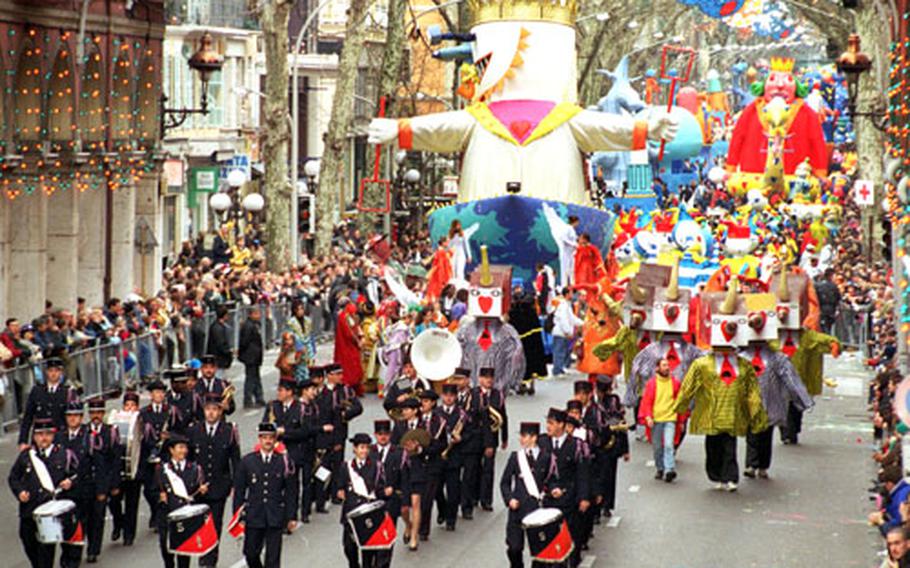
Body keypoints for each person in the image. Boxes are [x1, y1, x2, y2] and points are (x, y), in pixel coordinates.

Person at [9, 417, 78, 568]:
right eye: (40, 434)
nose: (44, 438)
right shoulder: (27, 456)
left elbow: (76, 474)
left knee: (46, 552)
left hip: (50, 512)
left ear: (53, 435)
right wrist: (20, 492)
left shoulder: (63, 454)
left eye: (47, 434)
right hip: (29, 511)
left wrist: (70, 482)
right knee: (29, 543)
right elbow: (13, 478)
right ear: (34, 437)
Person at [740, 339, 813, 479]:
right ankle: (752, 464)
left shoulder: (777, 358)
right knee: (753, 433)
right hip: (750, 404)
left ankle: (762, 465)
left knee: (765, 435)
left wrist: (803, 400)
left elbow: (790, 379)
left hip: (771, 402)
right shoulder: (742, 357)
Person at [233, 423, 298, 568]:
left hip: (275, 514)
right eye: (264, 438)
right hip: (254, 514)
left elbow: (291, 491)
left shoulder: (284, 461)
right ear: (259, 439)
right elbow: (239, 491)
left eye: (271, 438)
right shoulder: (247, 461)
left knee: (273, 559)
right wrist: (238, 516)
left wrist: (291, 516)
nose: (268, 441)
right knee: (250, 553)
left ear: (275, 440)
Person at [188, 393, 241, 567]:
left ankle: (210, 560)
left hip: (219, 486)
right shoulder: (194, 430)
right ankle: (203, 554)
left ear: (220, 411)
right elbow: (188, 460)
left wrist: (235, 484)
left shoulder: (229, 430)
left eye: (215, 409)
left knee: (214, 524)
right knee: (199, 524)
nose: (211, 413)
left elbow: (235, 459)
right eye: (208, 409)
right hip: (198, 487)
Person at [538, 407, 590, 568]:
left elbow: (583, 474)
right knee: (548, 540)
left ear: (562, 425)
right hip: (548, 499)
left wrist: (584, 497)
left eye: (552, 423)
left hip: (569, 500)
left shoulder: (576, 445)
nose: (548, 427)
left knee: (570, 540)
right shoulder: (542, 442)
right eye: (547, 422)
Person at [335, 433, 393, 568]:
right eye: (361, 447)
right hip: (351, 513)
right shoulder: (346, 466)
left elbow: (379, 488)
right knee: (349, 548)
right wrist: (339, 492)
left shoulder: (376, 466)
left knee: (368, 552)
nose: (364, 451)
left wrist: (385, 492)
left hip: (369, 513)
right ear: (355, 449)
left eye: (367, 448)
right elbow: (340, 486)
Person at [500, 421, 549, 568]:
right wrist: (509, 499)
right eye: (521, 436)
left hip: (537, 510)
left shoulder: (546, 458)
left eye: (524, 436)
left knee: (539, 551)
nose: (521, 439)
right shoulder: (516, 457)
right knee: (514, 548)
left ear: (534, 438)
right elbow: (505, 482)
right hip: (517, 510)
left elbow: (551, 481)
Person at [316, 363, 363, 511]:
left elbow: (358, 407)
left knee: (337, 465)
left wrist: (346, 414)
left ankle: (335, 493)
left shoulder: (346, 390)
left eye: (341, 374)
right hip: (322, 435)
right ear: (329, 376)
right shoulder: (320, 391)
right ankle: (320, 497)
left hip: (339, 434)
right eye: (337, 374)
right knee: (322, 467)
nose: (340, 377)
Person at [154, 433, 206, 568]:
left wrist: (201, 491)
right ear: (171, 450)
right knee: (166, 550)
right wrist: (159, 496)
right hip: (167, 515)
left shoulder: (194, 469)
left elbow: (197, 494)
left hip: (185, 516)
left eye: (185, 448)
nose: (184, 451)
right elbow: (152, 490)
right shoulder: (162, 469)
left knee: (183, 553)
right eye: (180, 447)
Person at [139, 379, 182, 530]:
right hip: (149, 454)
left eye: (162, 392)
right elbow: (139, 435)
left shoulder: (171, 410)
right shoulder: (144, 413)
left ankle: (160, 517)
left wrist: (169, 436)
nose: (159, 395)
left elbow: (179, 430)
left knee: (163, 486)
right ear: (151, 395)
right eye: (156, 392)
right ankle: (154, 510)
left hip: (165, 454)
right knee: (149, 490)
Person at [638, 358, 686, 482]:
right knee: (658, 447)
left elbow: (680, 403)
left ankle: (669, 469)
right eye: (664, 365)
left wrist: (681, 421)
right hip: (656, 420)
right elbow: (646, 402)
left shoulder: (675, 384)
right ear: (657, 368)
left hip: (670, 418)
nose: (667, 367)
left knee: (669, 445)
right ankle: (660, 468)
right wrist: (648, 416)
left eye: (667, 365)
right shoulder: (652, 384)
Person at [83, 398, 119, 563]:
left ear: (103, 414)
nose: (95, 416)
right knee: (86, 517)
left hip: (102, 481)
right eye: (92, 413)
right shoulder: (84, 432)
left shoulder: (110, 432)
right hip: (86, 482)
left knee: (98, 517)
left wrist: (112, 484)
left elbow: (115, 460)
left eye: (99, 413)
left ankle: (93, 550)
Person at [18, 357, 78, 450]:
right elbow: (28, 417)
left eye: (56, 371)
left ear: (61, 372)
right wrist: (23, 441)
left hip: (60, 439)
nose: (53, 374)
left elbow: (72, 419)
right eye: (50, 370)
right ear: (46, 372)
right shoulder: (37, 391)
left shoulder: (68, 392)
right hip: (39, 439)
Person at [56, 401, 89, 568]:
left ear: (81, 418)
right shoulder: (59, 436)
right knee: (63, 524)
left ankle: (74, 558)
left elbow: (88, 465)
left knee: (77, 524)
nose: (72, 419)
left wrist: (73, 481)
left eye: (76, 416)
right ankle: (65, 553)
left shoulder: (88, 436)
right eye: (69, 416)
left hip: (80, 488)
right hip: (62, 489)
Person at [299, 375, 334, 523]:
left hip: (314, 448)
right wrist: (321, 428)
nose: (314, 392)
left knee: (317, 477)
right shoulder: (298, 407)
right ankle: (300, 512)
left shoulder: (314, 406)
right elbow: (305, 429)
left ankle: (314, 505)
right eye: (312, 389)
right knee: (302, 482)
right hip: (300, 448)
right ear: (304, 391)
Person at [109, 391, 142, 546]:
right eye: (127, 405)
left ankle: (129, 534)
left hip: (134, 468)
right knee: (114, 500)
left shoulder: (141, 422)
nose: (129, 409)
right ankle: (118, 522)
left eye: (133, 406)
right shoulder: (116, 422)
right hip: (117, 468)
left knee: (132, 502)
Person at [437, 383, 469, 531]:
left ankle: (451, 519)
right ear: (442, 396)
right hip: (438, 456)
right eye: (446, 395)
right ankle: (442, 509)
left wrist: (461, 438)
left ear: (456, 397)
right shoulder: (436, 413)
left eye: (451, 396)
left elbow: (470, 433)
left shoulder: (462, 414)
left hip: (454, 456)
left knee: (453, 489)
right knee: (437, 489)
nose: (449, 398)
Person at [370, 419, 405, 528]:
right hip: (373, 497)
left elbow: (403, 476)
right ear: (375, 435)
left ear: (390, 435)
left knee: (389, 530)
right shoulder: (370, 452)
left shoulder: (398, 452)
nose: (383, 437)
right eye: (380, 434)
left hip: (392, 497)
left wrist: (397, 492)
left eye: (386, 434)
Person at [238, 307, 266, 408]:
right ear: (251, 314)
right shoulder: (248, 326)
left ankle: (259, 397)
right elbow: (244, 342)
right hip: (251, 356)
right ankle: (248, 399)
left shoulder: (254, 325)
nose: (259, 316)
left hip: (255, 356)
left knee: (256, 377)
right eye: (256, 314)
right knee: (251, 378)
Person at [334, 302, 364, 395]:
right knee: (349, 366)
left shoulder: (348, 316)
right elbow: (349, 333)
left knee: (355, 364)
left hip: (350, 345)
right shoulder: (344, 317)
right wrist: (358, 341)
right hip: (346, 346)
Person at [552, 288, 583, 377]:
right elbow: (563, 320)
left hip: (564, 332)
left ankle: (561, 368)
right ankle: (557, 370)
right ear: (567, 294)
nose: (572, 295)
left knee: (563, 351)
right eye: (571, 293)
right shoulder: (563, 305)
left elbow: (571, 318)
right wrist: (568, 332)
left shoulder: (566, 305)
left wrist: (583, 323)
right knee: (559, 352)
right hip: (561, 332)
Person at [206, 306, 234, 375]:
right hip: (218, 359)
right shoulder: (217, 328)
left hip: (219, 359)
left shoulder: (217, 326)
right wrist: (228, 351)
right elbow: (220, 344)